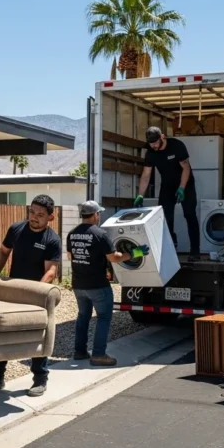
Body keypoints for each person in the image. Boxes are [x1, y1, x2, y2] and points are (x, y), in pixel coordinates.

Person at [0, 194, 62, 397]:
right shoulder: (16, 229)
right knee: (3, 332)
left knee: (38, 335)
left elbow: (51, 271)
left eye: (40, 214)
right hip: (12, 290)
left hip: (36, 293)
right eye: (32, 212)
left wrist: (38, 292)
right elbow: (4, 251)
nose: (34, 217)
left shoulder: (52, 240)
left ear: (50, 217)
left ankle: (40, 379)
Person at [67, 200, 149, 366]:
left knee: (83, 316)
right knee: (103, 317)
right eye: (99, 213)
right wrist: (135, 252)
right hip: (97, 284)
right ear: (96, 214)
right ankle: (98, 354)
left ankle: (80, 351)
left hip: (78, 284)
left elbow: (70, 256)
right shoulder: (99, 234)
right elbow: (114, 258)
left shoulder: (72, 233)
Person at [133, 126, 200, 257]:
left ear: (162, 137)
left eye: (156, 142)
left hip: (186, 184)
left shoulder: (177, 146)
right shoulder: (151, 152)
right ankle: (171, 245)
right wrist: (140, 195)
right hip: (167, 186)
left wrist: (182, 188)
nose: (154, 146)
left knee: (189, 214)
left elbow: (186, 168)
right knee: (164, 217)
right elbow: (146, 175)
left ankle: (195, 250)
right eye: (151, 144)